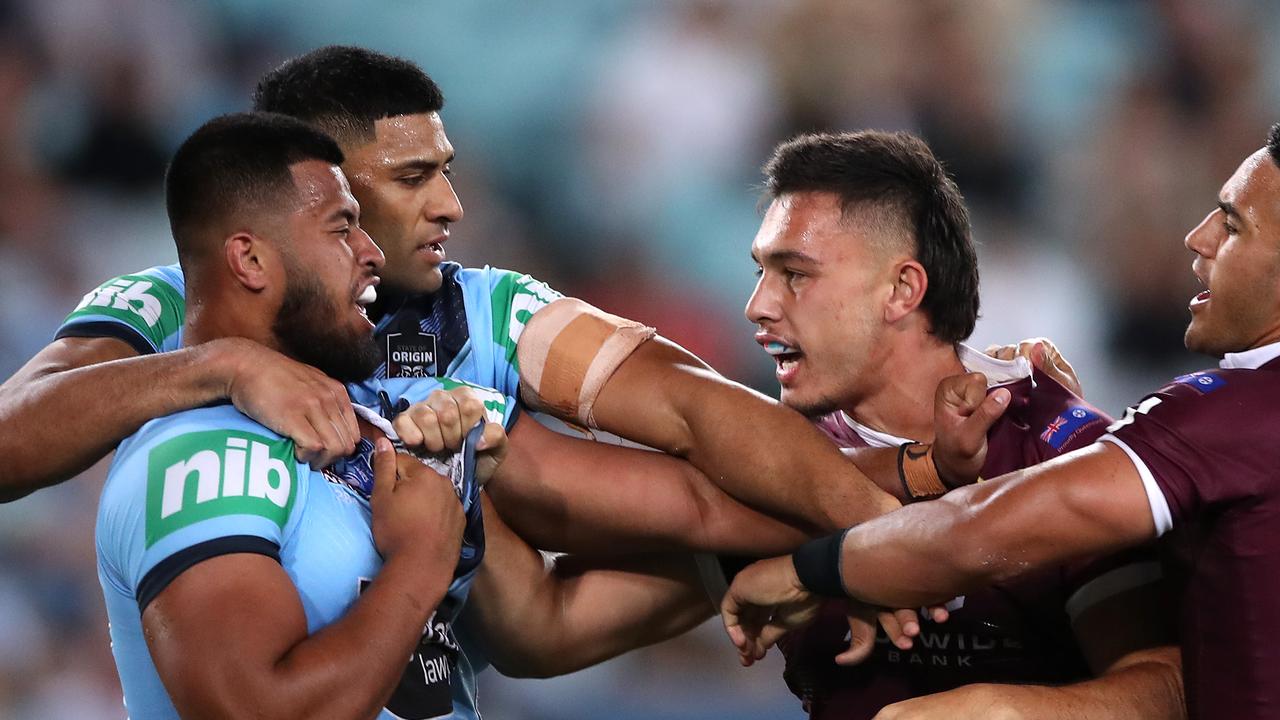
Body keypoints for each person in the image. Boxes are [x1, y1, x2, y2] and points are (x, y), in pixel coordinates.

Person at [0, 45, 891, 547]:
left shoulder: (486, 310)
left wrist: (889, 542)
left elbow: (698, 410)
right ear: (318, 186)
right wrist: (222, 366)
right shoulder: (169, 305)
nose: (451, 206)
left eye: (448, 173)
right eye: (414, 177)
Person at [721, 123, 1280, 720]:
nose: (758, 304)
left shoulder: (1057, 439)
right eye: (761, 271)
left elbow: (1166, 685)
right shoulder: (747, 456)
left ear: (903, 289)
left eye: (796, 274)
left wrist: (998, 711)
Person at [99, 111, 498, 720]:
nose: (371, 254)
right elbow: (254, 711)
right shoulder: (200, 455)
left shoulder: (369, 419)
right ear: (250, 261)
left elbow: (541, 630)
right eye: (342, 229)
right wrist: (423, 559)